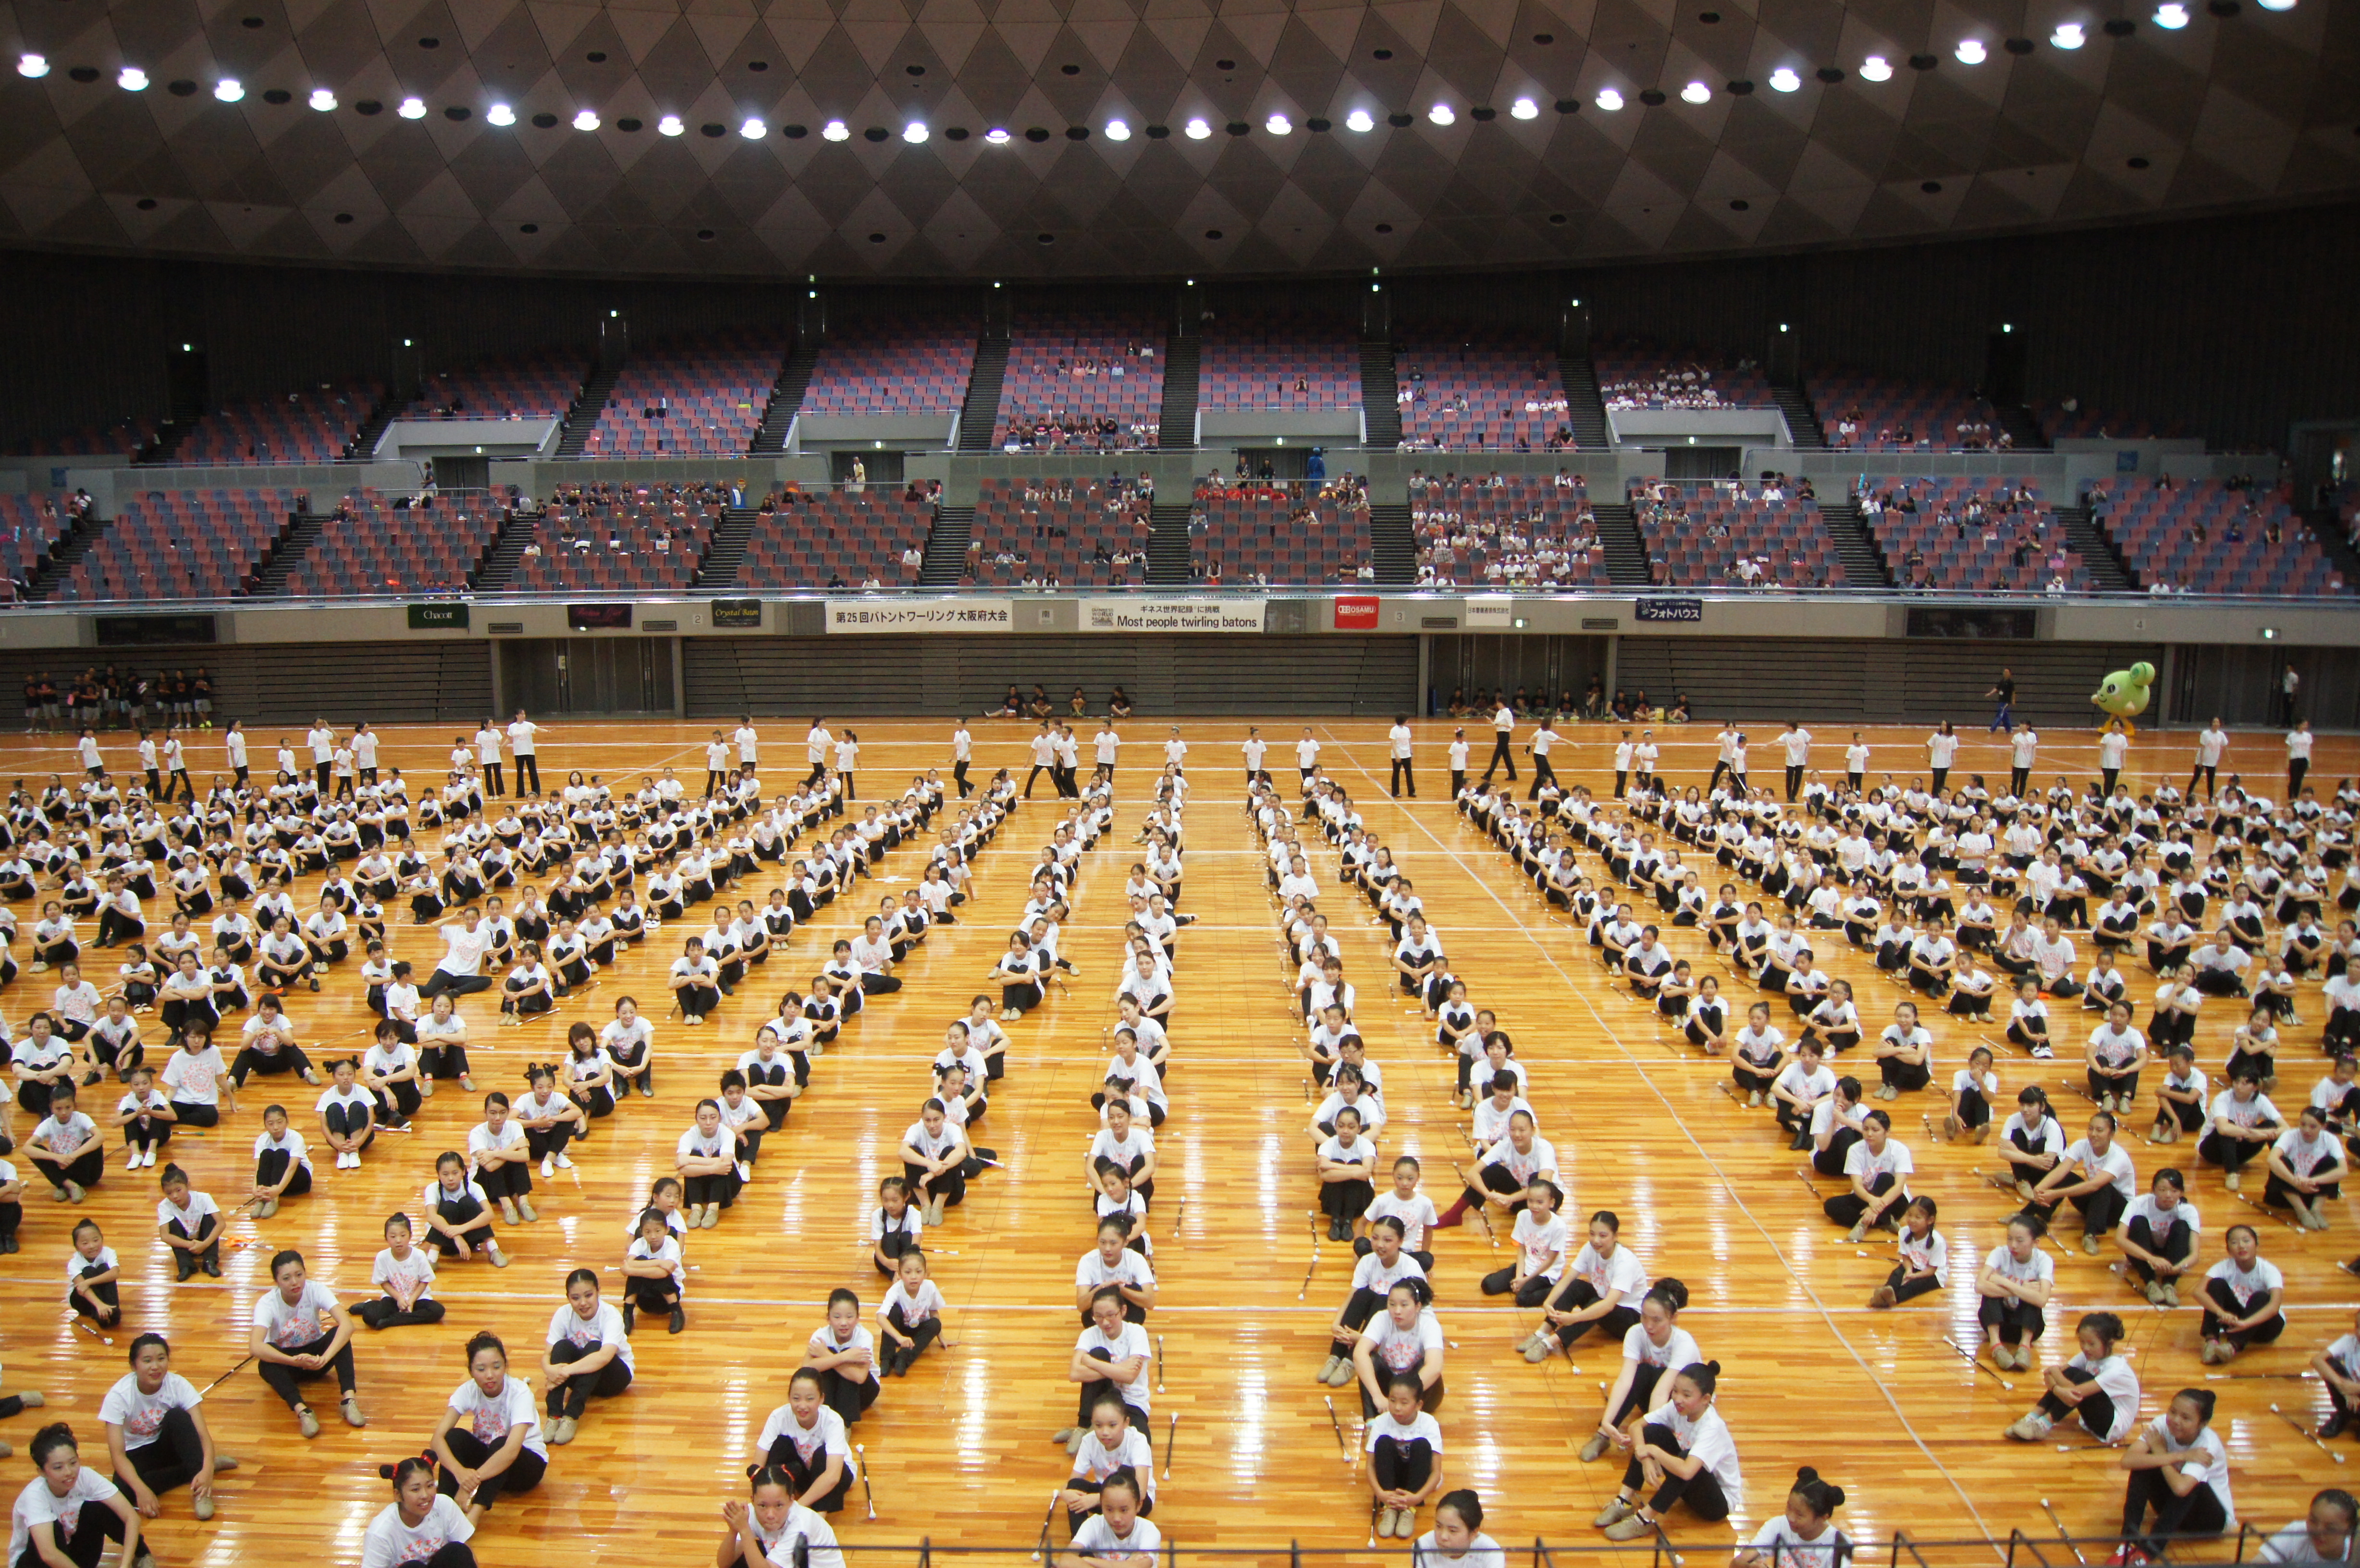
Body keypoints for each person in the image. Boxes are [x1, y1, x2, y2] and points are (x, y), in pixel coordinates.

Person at [1593, 1360, 1739, 1539]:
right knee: (1653, 1431)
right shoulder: (1677, 1407)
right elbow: (1636, 1426)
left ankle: (1643, 1521)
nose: (1677, 1399)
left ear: (1706, 1400)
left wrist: (1653, 1451)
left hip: (1716, 1504)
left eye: (1687, 1395)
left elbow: (1687, 1471)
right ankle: (1623, 1501)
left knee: (1685, 1459)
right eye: (1675, 1391)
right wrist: (1645, 1458)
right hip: (1688, 1487)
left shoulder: (1712, 1428)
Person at [100, 1334, 230, 1523]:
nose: (155, 1366)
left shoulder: (178, 1385)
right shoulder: (119, 1396)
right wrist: (142, 1491)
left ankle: (201, 1492)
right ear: (133, 1365)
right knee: (124, 1491)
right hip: (137, 1453)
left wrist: (207, 1470)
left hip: (169, 1446)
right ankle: (196, 1467)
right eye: (147, 1361)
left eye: (161, 1359)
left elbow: (203, 1436)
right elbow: (118, 1455)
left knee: (178, 1416)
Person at [429, 1331, 545, 1525]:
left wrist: (469, 1483)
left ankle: (474, 1516)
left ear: (506, 1366)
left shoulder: (520, 1393)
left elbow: (511, 1451)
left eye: (497, 1367)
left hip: (525, 1467)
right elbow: (437, 1439)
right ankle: (444, 1508)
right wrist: (459, 1472)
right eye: (481, 1369)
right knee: (453, 1437)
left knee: (501, 1444)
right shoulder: (468, 1390)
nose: (490, 1375)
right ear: (471, 1370)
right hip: (490, 1467)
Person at [249, 1248, 363, 1438]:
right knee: (266, 1360)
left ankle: (349, 1401)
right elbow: (255, 1346)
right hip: (288, 1362)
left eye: (299, 1275)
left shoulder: (316, 1289)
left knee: (339, 1334)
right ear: (276, 1281)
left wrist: (324, 1358)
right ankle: (303, 1411)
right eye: (286, 1278)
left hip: (316, 1357)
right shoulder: (267, 1303)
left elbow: (347, 1325)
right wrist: (293, 1361)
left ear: (305, 1273)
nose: (295, 1282)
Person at [1582, 1279, 1698, 1462]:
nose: (1649, 1326)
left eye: (1657, 1320)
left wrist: (1647, 1440)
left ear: (1673, 1318)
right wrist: (1607, 1421)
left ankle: (1659, 1441)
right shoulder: (1636, 1333)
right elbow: (1625, 1381)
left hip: (1682, 1405)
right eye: (1644, 1317)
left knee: (1656, 1374)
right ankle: (1603, 1435)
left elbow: (1662, 1392)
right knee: (1642, 1371)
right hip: (1656, 1399)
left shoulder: (1684, 1343)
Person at [2117, 1388, 2234, 1560]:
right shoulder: (2161, 1425)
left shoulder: (2207, 1444)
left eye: (2186, 1418)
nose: (2176, 1421)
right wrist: (2178, 1456)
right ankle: (2129, 1540)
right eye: (2173, 1412)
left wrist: (2160, 1452)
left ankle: (2150, 1551)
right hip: (2173, 1511)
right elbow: (2127, 1461)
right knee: (2144, 1463)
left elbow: (2181, 1489)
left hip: (2209, 1520)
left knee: (2193, 1485)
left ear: (2202, 1424)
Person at [10, 1423, 143, 1568]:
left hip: (71, 1555)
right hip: (34, 1564)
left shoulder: (86, 1477)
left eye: (73, 1463)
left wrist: (125, 1565)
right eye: (58, 1468)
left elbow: (131, 1517)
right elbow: (48, 1554)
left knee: (98, 1508)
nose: (69, 1472)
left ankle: (142, 1555)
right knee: (54, 1527)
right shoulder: (35, 1495)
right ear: (42, 1472)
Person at [2005, 1311, 2141, 1445]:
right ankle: (2031, 1418)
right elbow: (2051, 1376)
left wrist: (2056, 1380)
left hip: (2110, 1427)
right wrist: (2058, 1387)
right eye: (2082, 1342)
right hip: (2093, 1416)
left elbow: (2075, 1393)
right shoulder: (2088, 1355)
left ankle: (2042, 1426)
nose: (2086, 1348)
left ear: (2110, 1343)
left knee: (2082, 1378)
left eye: (2092, 1344)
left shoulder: (2116, 1370)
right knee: (2071, 1373)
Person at [541, 1269, 632, 1446]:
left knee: (595, 1347)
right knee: (562, 1346)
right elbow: (548, 1353)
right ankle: (554, 1416)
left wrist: (564, 1371)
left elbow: (604, 1357)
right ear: (568, 1298)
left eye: (588, 1295)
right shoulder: (563, 1314)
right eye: (575, 1298)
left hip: (613, 1378)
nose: (583, 1303)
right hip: (580, 1378)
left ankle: (571, 1416)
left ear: (598, 1291)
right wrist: (549, 1370)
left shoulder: (611, 1315)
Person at [755, 1369, 857, 1515]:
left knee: (822, 1454)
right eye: (796, 1399)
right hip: (804, 1475)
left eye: (810, 1399)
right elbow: (758, 1465)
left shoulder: (833, 1421)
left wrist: (794, 1509)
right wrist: (760, 1503)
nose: (802, 1406)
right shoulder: (779, 1417)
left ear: (821, 1399)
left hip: (837, 1475)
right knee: (780, 1444)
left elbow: (833, 1476)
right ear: (789, 1397)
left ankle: (819, 1517)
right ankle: (779, 1500)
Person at [1365, 1373, 1445, 1539]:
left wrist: (1417, 1498)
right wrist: (1381, 1494)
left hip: (1416, 1479)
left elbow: (1436, 1472)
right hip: (1391, 1480)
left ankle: (1408, 1510)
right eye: (1392, 1400)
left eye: (1404, 1403)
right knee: (1383, 1442)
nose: (1397, 1407)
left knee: (1422, 1445)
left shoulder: (1429, 1423)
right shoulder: (1381, 1422)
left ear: (1419, 1405)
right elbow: (1371, 1465)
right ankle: (1390, 1508)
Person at [718, 1464, 844, 1568]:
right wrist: (734, 1530)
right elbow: (724, 1564)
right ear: (753, 1500)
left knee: (750, 1546)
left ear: (791, 1500)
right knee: (747, 1552)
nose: (770, 1515)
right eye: (763, 1506)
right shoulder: (750, 1513)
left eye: (779, 1506)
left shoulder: (801, 1524)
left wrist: (745, 1531)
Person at [365, 1452, 476, 1568]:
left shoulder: (445, 1505)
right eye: (416, 1490)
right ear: (398, 1495)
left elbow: (467, 1554)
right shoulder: (381, 1532)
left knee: (458, 1551)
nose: (425, 1495)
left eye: (430, 1486)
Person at [2198, 1223, 2285, 1364]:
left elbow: (2274, 1307)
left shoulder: (2269, 1270)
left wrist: (2246, 1324)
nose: (2241, 1246)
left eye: (2246, 1241)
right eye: (2234, 1243)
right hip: (2236, 1322)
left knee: (2261, 1297)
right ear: (2228, 1249)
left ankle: (2232, 1347)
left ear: (2256, 1245)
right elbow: (2198, 1292)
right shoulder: (2224, 1266)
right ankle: (2212, 1342)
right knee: (2216, 1284)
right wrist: (2221, 1313)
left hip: (2265, 1326)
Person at [1978, 1213, 2054, 1370]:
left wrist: (2005, 1283)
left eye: (2020, 1241)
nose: (2013, 1245)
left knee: (2033, 1296)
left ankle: (2024, 1348)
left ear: (2035, 1243)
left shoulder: (2044, 1260)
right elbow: (1979, 1285)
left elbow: (2042, 1300)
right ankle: (1996, 1347)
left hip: (2029, 1326)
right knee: (1991, 1293)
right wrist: (2019, 1290)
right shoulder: (2000, 1253)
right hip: (1999, 1323)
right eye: (2009, 1239)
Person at [1733, 1469, 1848, 1568]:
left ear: (1823, 1518)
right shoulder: (1778, 1525)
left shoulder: (1840, 1543)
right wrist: (1749, 1566)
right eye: (1789, 1507)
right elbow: (1737, 1563)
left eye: (1800, 1515)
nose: (1791, 1518)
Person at [355, 1213, 444, 1330]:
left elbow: (424, 1281)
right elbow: (384, 1282)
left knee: (437, 1311)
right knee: (370, 1317)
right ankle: (369, 1305)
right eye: (393, 1237)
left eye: (403, 1235)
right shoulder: (382, 1257)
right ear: (386, 1238)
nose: (398, 1240)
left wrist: (411, 1301)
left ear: (410, 1236)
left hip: (417, 1298)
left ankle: (391, 1321)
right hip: (393, 1298)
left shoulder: (419, 1255)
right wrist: (399, 1298)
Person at [1068, 1471, 1157, 1567]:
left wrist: (1088, 1560)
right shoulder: (1093, 1524)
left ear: (1139, 1505)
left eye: (1124, 1510)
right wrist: (1126, 1564)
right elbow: (1066, 1560)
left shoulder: (1148, 1530)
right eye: (1110, 1510)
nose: (1117, 1519)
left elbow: (1141, 1565)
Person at [153, 1162, 220, 1282]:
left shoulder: (204, 1198)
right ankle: (185, 1266)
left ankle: (210, 1261)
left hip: (204, 1239)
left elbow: (221, 1224)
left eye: (179, 1190)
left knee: (210, 1218)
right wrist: (190, 1245)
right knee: (172, 1224)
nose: (175, 1196)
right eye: (169, 1193)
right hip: (185, 1242)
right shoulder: (164, 1206)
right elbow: (165, 1236)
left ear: (188, 1186)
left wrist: (204, 1245)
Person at [2255, 1491, 2357, 1566]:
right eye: (2313, 1521)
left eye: (2330, 1528)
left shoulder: (2356, 1551)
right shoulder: (2295, 1532)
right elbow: (2258, 1564)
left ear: (2349, 1530)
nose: (2318, 1531)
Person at [1413, 1489, 1503, 1568]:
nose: (1443, 1537)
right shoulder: (1422, 1546)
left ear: (1474, 1533)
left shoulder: (1491, 1553)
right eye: (1439, 1526)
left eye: (1453, 1531)